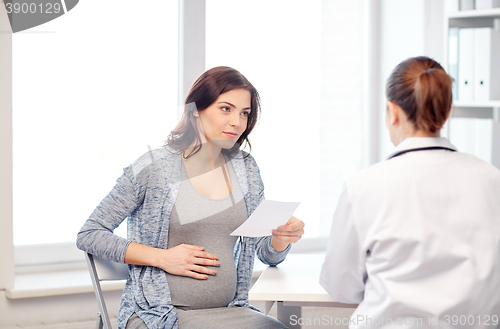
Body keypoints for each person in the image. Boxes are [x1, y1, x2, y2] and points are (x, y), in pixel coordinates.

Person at [77, 66, 305, 329]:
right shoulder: (154, 167)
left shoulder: (246, 168)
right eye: (225, 109)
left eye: (245, 113)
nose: (237, 122)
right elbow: (90, 234)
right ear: (196, 110)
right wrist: (160, 257)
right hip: (159, 313)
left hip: (230, 312)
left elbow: (267, 255)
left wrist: (280, 239)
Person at [320, 56, 500, 328]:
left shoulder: (363, 186)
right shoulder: (492, 180)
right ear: (446, 112)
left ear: (392, 112)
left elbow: (342, 286)